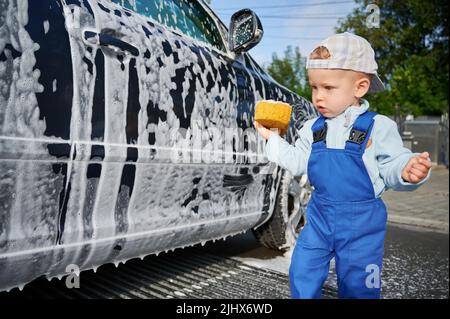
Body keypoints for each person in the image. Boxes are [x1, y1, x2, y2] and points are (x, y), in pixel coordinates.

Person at [254, 32, 432, 299]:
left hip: (363, 223)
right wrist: (273, 139)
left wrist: (408, 170)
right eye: (314, 87)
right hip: (319, 216)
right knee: (302, 268)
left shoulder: (377, 127)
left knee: (360, 284)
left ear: (359, 87)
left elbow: (393, 163)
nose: (318, 97)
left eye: (328, 88)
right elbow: (299, 162)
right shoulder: (312, 129)